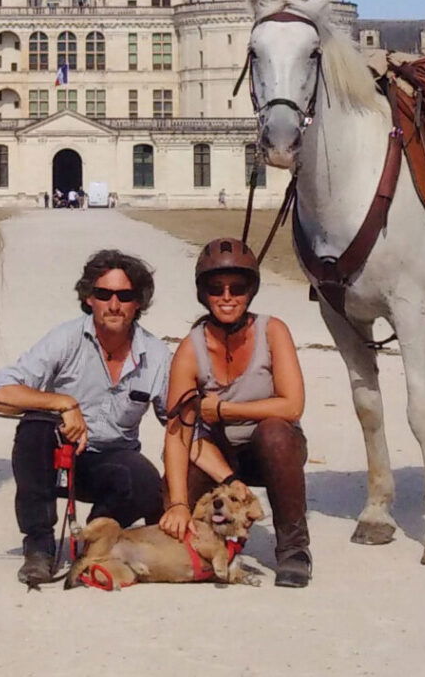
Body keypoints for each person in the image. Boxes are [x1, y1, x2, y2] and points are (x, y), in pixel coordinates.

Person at [0, 249, 170, 586]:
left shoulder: (157, 356)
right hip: (60, 460)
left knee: (145, 480)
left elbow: (181, 426)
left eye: (125, 296)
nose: (114, 305)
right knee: (35, 426)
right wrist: (62, 403)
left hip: (112, 462)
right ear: (89, 298)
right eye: (104, 294)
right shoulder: (65, 339)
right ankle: (39, 545)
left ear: (139, 302)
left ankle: (94, 542)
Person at [160, 237, 312, 587]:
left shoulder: (272, 331)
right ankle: (202, 548)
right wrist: (178, 503)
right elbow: (178, 433)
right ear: (203, 294)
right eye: (216, 289)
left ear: (251, 291)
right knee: (172, 507)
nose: (227, 297)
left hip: (272, 451)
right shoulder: (190, 349)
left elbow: (292, 405)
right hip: (219, 455)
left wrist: (225, 409)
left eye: (237, 288)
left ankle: (293, 548)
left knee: (275, 431)